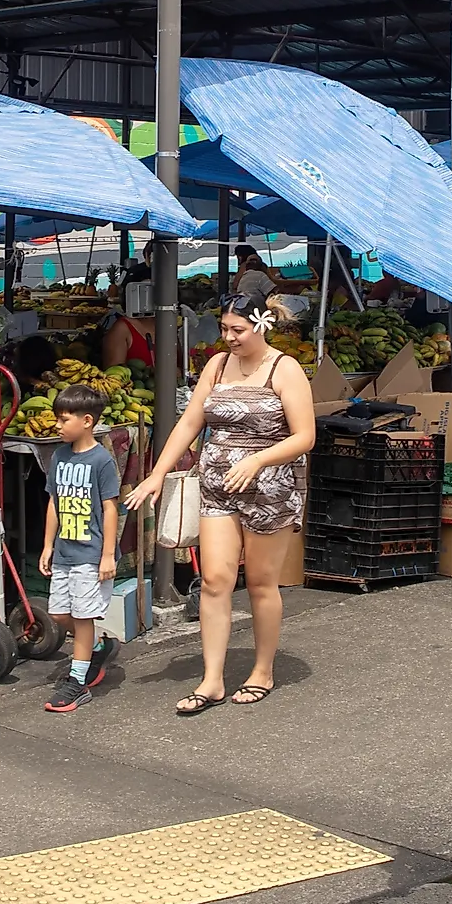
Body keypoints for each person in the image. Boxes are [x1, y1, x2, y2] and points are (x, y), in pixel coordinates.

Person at [125, 293, 316, 715]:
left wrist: (258, 460)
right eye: (225, 328)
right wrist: (157, 473)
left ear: (262, 326)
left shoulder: (285, 369)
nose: (228, 337)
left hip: (269, 491)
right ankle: (212, 679)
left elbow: (305, 436)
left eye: (238, 330)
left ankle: (262, 671)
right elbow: (190, 423)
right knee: (214, 581)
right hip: (216, 487)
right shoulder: (216, 366)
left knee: (261, 583)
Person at [38, 383, 122, 713]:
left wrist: (107, 555)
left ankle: (77, 681)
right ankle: (98, 647)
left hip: (91, 553)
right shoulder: (59, 456)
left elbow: (111, 509)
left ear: (87, 421)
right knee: (60, 613)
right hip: (65, 551)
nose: (57, 426)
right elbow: (54, 502)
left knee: (83, 616)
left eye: (63, 420)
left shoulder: (101, 461)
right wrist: (48, 545)